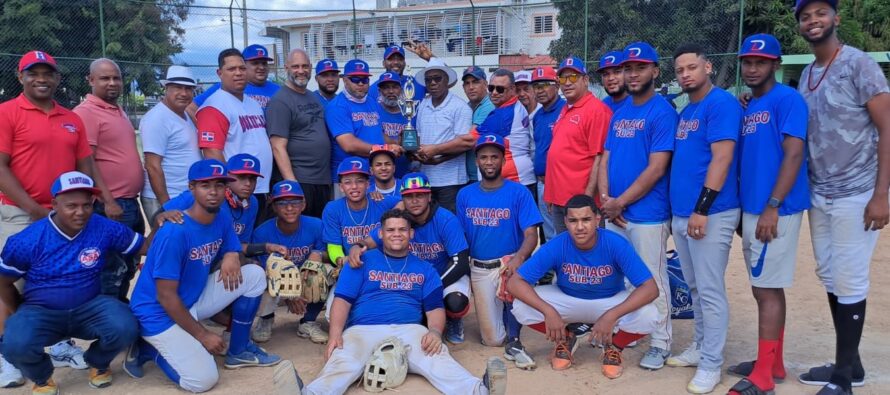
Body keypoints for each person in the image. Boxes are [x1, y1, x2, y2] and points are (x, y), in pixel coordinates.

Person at [793, 1, 890, 394]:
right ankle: (852, 365)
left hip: (858, 190)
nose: (813, 21)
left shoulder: (859, 64)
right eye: (805, 16)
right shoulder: (807, 72)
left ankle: (842, 381)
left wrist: (881, 194)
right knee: (830, 275)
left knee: (849, 279)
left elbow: (887, 129)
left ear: (836, 18)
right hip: (821, 191)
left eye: (820, 13)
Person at [301, 209, 506, 395]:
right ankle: (310, 393)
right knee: (344, 361)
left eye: (402, 229)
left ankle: (479, 390)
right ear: (380, 234)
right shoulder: (361, 262)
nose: (396, 234)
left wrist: (434, 331)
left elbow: (435, 308)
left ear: (411, 234)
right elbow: (342, 300)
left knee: (437, 357)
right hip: (363, 329)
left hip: (409, 329)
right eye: (390, 230)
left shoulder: (425, 269)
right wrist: (335, 335)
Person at [0, 50, 112, 385]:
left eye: (48, 73)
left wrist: (99, 198)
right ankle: (9, 354)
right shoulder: (6, 112)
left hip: (64, 216)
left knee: (56, 281)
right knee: (9, 284)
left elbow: (85, 165)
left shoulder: (71, 117)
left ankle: (57, 344)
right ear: (21, 78)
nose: (41, 79)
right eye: (33, 73)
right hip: (20, 212)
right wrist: (35, 210)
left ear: (57, 78)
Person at [125, 159, 281, 393]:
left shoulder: (221, 217)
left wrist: (231, 254)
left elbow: (233, 246)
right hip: (158, 313)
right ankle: (149, 350)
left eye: (219, 185)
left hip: (191, 300)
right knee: (203, 380)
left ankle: (238, 350)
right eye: (205, 185)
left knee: (254, 275)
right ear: (191, 188)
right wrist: (202, 334)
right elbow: (166, 297)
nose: (214, 192)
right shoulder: (174, 232)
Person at [0, 172, 145, 394]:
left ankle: (97, 362)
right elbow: (3, 282)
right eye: (72, 206)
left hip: (90, 306)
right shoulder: (27, 239)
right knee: (14, 343)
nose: (81, 212)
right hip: (42, 310)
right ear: (55, 204)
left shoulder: (102, 227)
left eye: (87, 205)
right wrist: (20, 310)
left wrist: (164, 222)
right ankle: (42, 377)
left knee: (126, 325)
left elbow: (143, 247)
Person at [723, 33, 810, 395]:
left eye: (761, 61)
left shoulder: (788, 99)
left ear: (775, 64)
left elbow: (793, 155)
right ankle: (771, 362)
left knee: (767, 289)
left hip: (776, 209)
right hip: (754, 208)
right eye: (748, 61)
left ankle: (762, 378)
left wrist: (773, 207)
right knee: (766, 289)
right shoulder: (750, 104)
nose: (753, 67)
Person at [508, 194, 658, 377]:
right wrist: (548, 311)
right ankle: (565, 339)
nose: (579, 227)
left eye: (586, 219)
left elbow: (650, 288)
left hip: (609, 300)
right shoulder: (558, 244)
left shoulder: (615, 243)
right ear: (565, 221)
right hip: (567, 298)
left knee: (650, 314)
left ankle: (614, 347)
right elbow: (515, 283)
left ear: (597, 219)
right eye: (573, 221)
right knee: (520, 306)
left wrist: (611, 316)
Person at [665, 43, 743, 394]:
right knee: (694, 287)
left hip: (710, 213)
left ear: (708, 67)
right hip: (684, 214)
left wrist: (702, 208)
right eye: (680, 69)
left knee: (710, 290)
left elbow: (722, 159)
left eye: (691, 68)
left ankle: (712, 363)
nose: (685, 74)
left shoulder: (721, 103)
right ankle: (700, 346)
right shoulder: (687, 109)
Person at [597, 41, 677, 371]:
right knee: (626, 280)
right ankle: (636, 332)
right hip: (615, 212)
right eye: (628, 68)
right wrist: (605, 199)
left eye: (640, 67)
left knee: (652, 280)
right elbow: (606, 157)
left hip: (647, 213)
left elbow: (657, 168)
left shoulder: (662, 111)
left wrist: (620, 202)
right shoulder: (622, 110)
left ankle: (661, 342)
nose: (632, 74)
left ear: (655, 71)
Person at [347, 172, 472, 343]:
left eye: (419, 195)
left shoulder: (445, 219)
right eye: (409, 196)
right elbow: (370, 241)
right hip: (415, 276)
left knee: (455, 302)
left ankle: (454, 320)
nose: (414, 200)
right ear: (402, 199)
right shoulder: (400, 220)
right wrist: (357, 246)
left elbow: (461, 263)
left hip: (447, 274)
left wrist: (430, 289)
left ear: (429, 196)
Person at [456, 135, 542, 369]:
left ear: (503, 160)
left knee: (516, 286)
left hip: (508, 265)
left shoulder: (518, 192)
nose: (489, 162)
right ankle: (505, 315)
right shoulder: (465, 194)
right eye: (484, 157)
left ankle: (514, 333)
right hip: (480, 267)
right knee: (492, 340)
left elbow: (531, 234)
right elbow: (461, 236)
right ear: (477, 161)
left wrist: (519, 258)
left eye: (495, 156)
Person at [73, 58, 145, 302]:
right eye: (105, 78)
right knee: (110, 272)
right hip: (111, 206)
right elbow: (87, 161)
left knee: (127, 266)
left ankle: (120, 319)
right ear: (90, 80)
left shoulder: (116, 109)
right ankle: (109, 329)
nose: (112, 83)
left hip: (128, 203)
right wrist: (107, 200)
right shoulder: (87, 113)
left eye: (116, 77)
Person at [250, 180, 327, 344]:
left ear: (304, 204)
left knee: (321, 270)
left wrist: (317, 254)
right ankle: (266, 318)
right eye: (283, 203)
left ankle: (308, 321)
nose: (290, 208)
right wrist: (290, 295)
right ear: (274, 206)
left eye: (295, 202)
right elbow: (267, 271)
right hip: (277, 279)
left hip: (304, 277)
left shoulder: (316, 225)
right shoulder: (262, 232)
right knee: (260, 274)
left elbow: (325, 253)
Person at [196, 48, 274, 205]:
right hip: (236, 192)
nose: (238, 73)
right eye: (231, 69)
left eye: (242, 68)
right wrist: (228, 188)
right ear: (219, 73)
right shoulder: (214, 106)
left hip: (258, 187)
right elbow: (211, 152)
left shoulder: (253, 103)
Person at [544, 56, 612, 234]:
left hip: (580, 205)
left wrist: (586, 200)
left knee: (588, 255)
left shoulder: (597, 110)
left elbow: (599, 158)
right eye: (563, 78)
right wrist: (550, 194)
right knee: (566, 254)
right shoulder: (567, 108)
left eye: (573, 77)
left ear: (586, 80)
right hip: (559, 200)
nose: (567, 83)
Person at [266, 49, 332, 219]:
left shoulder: (312, 96)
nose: (301, 71)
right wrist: (292, 185)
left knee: (318, 231)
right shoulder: (280, 101)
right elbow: (277, 146)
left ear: (311, 68)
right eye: (295, 66)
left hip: (321, 180)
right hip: (301, 180)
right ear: (286, 68)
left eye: (305, 66)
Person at [325, 59, 399, 197]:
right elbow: (349, 145)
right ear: (345, 80)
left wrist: (397, 143)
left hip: (372, 176)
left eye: (364, 80)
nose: (360, 83)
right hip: (348, 178)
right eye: (355, 79)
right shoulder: (337, 106)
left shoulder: (372, 102)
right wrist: (385, 150)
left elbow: (378, 134)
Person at [140, 65, 202, 221]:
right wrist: (166, 206)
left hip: (184, 195)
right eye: (177, 88)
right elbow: (152, 166)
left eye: (188, 88)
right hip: (165, 197)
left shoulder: (185, 115)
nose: (184, 93)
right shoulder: (157, 118)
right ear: (165, 88)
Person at [414, 59, 475, 212]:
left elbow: (464, 144)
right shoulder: (422, 105)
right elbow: (419, 137)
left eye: (437, 78)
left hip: (451, 181)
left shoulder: (460, 107)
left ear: (447, 80)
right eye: (428, 80)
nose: (433, 83)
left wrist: (437, 156)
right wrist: (414, 153)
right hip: (426, 179)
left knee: (450, 225)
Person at [322, 157, 401, 275]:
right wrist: (341, 260)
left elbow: (405, 202)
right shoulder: (333, 208)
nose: (354, 186)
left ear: (368, 184)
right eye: (348, 182)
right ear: (341, 187)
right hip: (350, 266)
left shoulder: (379, 201)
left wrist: (391, 218)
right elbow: (334, 245)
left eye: (359, 181)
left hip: (382, 268)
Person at [474, 69, 536, 190]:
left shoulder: (505, 113)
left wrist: (435, 149)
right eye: (491, 88)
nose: (494, 92)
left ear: (512, 89)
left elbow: (468, 141)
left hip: (515, 180)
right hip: (515, 179)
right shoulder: (514, 107)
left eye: (500, 89)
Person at [530, 66, 565, 242]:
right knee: (550, 234)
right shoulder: (537, 116)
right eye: (536, 86)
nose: (540, 90)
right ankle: (556, 269)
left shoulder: (565, 110)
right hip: (542, 182)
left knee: (565, 233)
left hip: (561, 182)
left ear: (557, 85)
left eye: (545, 84)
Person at [191, 44, 280, 112]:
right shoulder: (226, 87)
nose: (261, 67)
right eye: (255, 63)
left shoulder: (278, 90)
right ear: (244, 64)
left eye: (264, 63)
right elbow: (191, 109)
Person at [462, 66, 495, 185]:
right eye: (467, 83)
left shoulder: (489, 105)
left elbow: (468, 140)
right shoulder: (468, 106)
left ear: (485, 84)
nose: (471, 87)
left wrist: (435, 151)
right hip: (469, 173)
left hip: (482, 175)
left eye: (475, 82)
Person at [375, 72, 411, 177]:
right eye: (386, 88)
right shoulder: (373, 111)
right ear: (379, 91)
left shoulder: (410, 112)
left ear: (401, 89)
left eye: (395, 87)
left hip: (406, 173)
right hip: (380, 175)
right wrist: (397, 143)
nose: (391, 91)